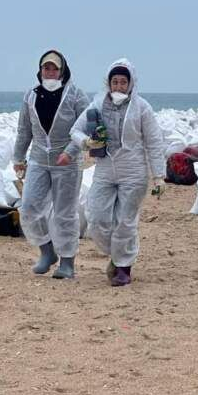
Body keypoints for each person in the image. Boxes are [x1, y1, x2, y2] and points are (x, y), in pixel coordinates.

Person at [72, 59, 166, 287]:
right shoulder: (96, 105)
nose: (119, 86)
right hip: (104, 169)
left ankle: (123, 267)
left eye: (123, 82)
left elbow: (154, 142)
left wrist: (159, 176)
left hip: (133, 171)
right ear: (108, 83)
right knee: (96, 218)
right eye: (115, 82)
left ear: (131, 84)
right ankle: (116, 255)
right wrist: (87, 142)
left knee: (125, 221)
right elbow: (75, 130)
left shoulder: (142, 107)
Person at [13, 50, 91, 279]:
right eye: (46, 68)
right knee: (28, 208)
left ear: (62, 70)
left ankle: (67, 262)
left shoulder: (76, 96)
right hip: (38, 159)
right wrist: (18, 158)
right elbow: (24, 130)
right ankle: (47, 252)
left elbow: (85, 128)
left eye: (54, 68)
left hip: (66, 162)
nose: (50, 72)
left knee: (64, 213)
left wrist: (70, 151)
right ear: (40, 70)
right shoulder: (30, 96)